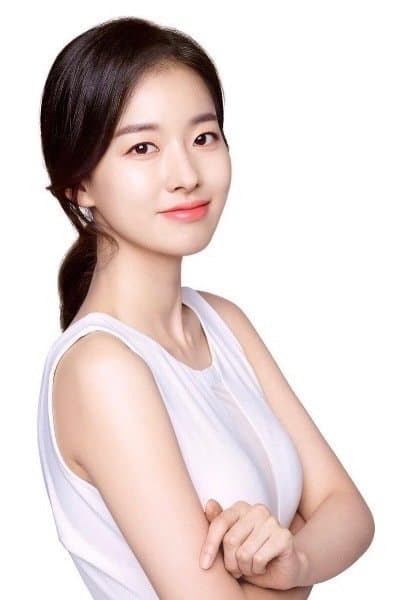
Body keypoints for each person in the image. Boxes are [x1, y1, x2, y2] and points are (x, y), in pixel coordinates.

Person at [37, 16, 374, 600]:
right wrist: (303, 555)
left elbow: (351, 513)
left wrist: (291, 562)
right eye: (142, 147)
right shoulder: (101, 370)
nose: (187, 175)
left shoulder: (224, 322)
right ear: (79, 184)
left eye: (203, 137)